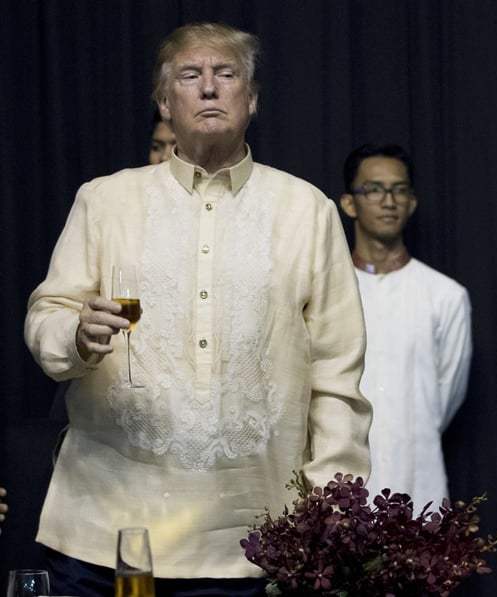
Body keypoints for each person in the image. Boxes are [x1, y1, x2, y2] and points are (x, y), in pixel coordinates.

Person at [24, 22, 372, 596]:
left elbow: (337, 377)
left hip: (253, 543)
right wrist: (76, 336)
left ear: (252, 99)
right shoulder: (105, 200)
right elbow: (46, 317)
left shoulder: (306, 210)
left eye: (226, 74)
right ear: (165, 102)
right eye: (190, 75)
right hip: (103, 532)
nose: (209, 88)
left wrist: (331, 510)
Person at [338, 143, 472, 507]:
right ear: (349, 203)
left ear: (412, 202)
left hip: (419, 482)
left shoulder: (445, 296)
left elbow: (444, 400)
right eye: (374, 189)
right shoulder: (327, 294)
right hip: (342, 493)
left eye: (399, 190)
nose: (389, 200)